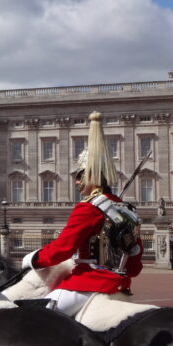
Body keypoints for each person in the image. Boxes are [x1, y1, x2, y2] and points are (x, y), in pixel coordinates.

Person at [22, 112, 143, 317]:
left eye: (80, 176)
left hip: (89, 284)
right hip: (121, 286)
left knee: (35, 318)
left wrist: (34, 259)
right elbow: (134, 266)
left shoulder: (89, 208)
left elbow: (62, 249)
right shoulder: (127, 211)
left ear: (92, 176)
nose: (76, 182)